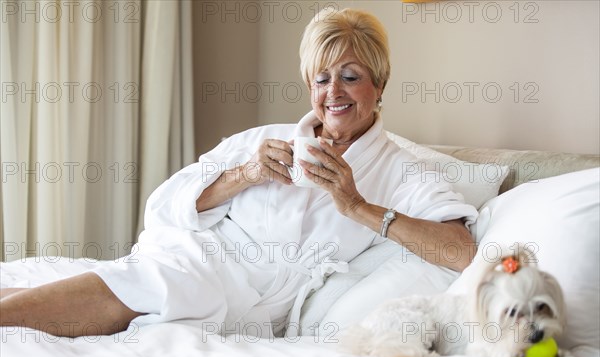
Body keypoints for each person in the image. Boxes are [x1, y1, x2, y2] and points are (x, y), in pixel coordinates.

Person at [0, 8, 477, 339]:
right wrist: (246, 174)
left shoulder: (401, 169)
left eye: (350, 76)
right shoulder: (265, 139)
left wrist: (358, 207)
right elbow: (164, 205)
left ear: (379, 84)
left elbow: (461, 252)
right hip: (199, 256)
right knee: (163, 279)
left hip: (249, 297)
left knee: (152, 285)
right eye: (321, 77)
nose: (334, 91)